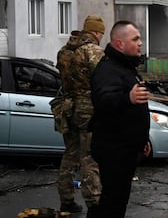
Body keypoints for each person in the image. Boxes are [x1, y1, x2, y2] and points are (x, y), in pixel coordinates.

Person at [89, 21, 151, 218]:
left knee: (116, 200)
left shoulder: (125, 66)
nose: (140, 43)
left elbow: (134, 113)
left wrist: (143, 139)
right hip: (114, 149)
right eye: (135, 39)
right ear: (119, 44)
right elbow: (104, 101)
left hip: (126, 147)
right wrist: (128, 98)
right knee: (112, 203)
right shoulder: (108, 69)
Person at [56, 14, 105, 216]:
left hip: (67, 107)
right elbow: (102, 80)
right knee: (89, 157)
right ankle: (93, 201)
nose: (101, 37)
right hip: (88, 109)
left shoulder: (64, 51)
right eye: (100, 33)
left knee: (70, 155)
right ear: (95, 32)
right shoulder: (93, 51)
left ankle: (66, 200)